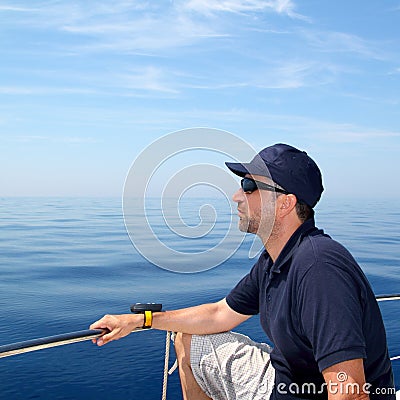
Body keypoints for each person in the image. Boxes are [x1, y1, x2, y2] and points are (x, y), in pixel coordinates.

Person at [90, 143, 395, 399]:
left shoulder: (319, 268)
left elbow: (350, 390)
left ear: (285, 204)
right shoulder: (274, 260)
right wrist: (141, 320)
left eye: (249, 186)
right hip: (285, 383)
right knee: (187, 337)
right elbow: (219, 314)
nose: (236, 196)